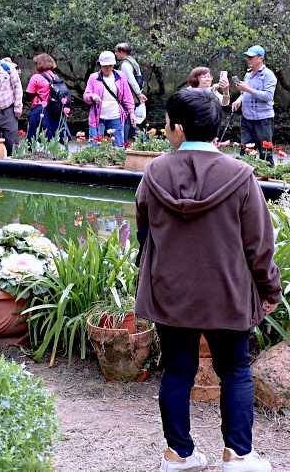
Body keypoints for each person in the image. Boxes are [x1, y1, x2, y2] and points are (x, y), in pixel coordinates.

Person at [137, 87, 280, 472]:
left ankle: (178, 455)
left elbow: (143, 232)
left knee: (177, 369)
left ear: (179, 129)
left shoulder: (153, 173)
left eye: (166, 125)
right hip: (227, 293)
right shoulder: (240, 175)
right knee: (234, 370)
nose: (165, 130)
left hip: (169, 293)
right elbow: (259, 246)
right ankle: (237, 456)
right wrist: (270, 291)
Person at [232, 45, 277, 168]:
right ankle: (247, 180)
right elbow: (244, 93)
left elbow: (268, 96)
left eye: (251, 57)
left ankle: (268, 183)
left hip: (263, 120)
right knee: (246, 152)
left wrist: (248, 89)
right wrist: (239, 100)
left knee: (265, 153)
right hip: (246, 118)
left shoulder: (269, 75)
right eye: (247, 57)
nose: (248, 59)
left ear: (261, 58)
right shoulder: (248, 74)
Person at [83, 51, 135, 147]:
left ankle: (117, 161)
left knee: (118, 145)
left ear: (113, 65)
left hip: (115, 115)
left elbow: (127, 96)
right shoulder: (94, 77)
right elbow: (86, 95)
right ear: (100, 65)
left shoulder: (120, 76)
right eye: (104, 66)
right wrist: (93, 96)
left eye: (110, 66)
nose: (107, 68)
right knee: (94, 145)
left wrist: (132, 112)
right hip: (97, 116)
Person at [24, 53, 69, 142]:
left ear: (39, 65)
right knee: (51, 138)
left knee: (34, 137)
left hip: (39, 110)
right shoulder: (55, 76)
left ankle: (34, 155)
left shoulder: (36, 77)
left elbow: (28, 96)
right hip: (53, 110)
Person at [115, 43, 147, 141]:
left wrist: (138, 94)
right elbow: (140, 79)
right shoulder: (133, 61)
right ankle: (143, 141)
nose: (115, 54)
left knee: (127, 123)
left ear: (121, 52)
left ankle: (142, 141)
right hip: (133, 96)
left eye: (116, 52)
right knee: (130, 122)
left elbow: (132, 81)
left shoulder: (125, 65)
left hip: (129, 97)